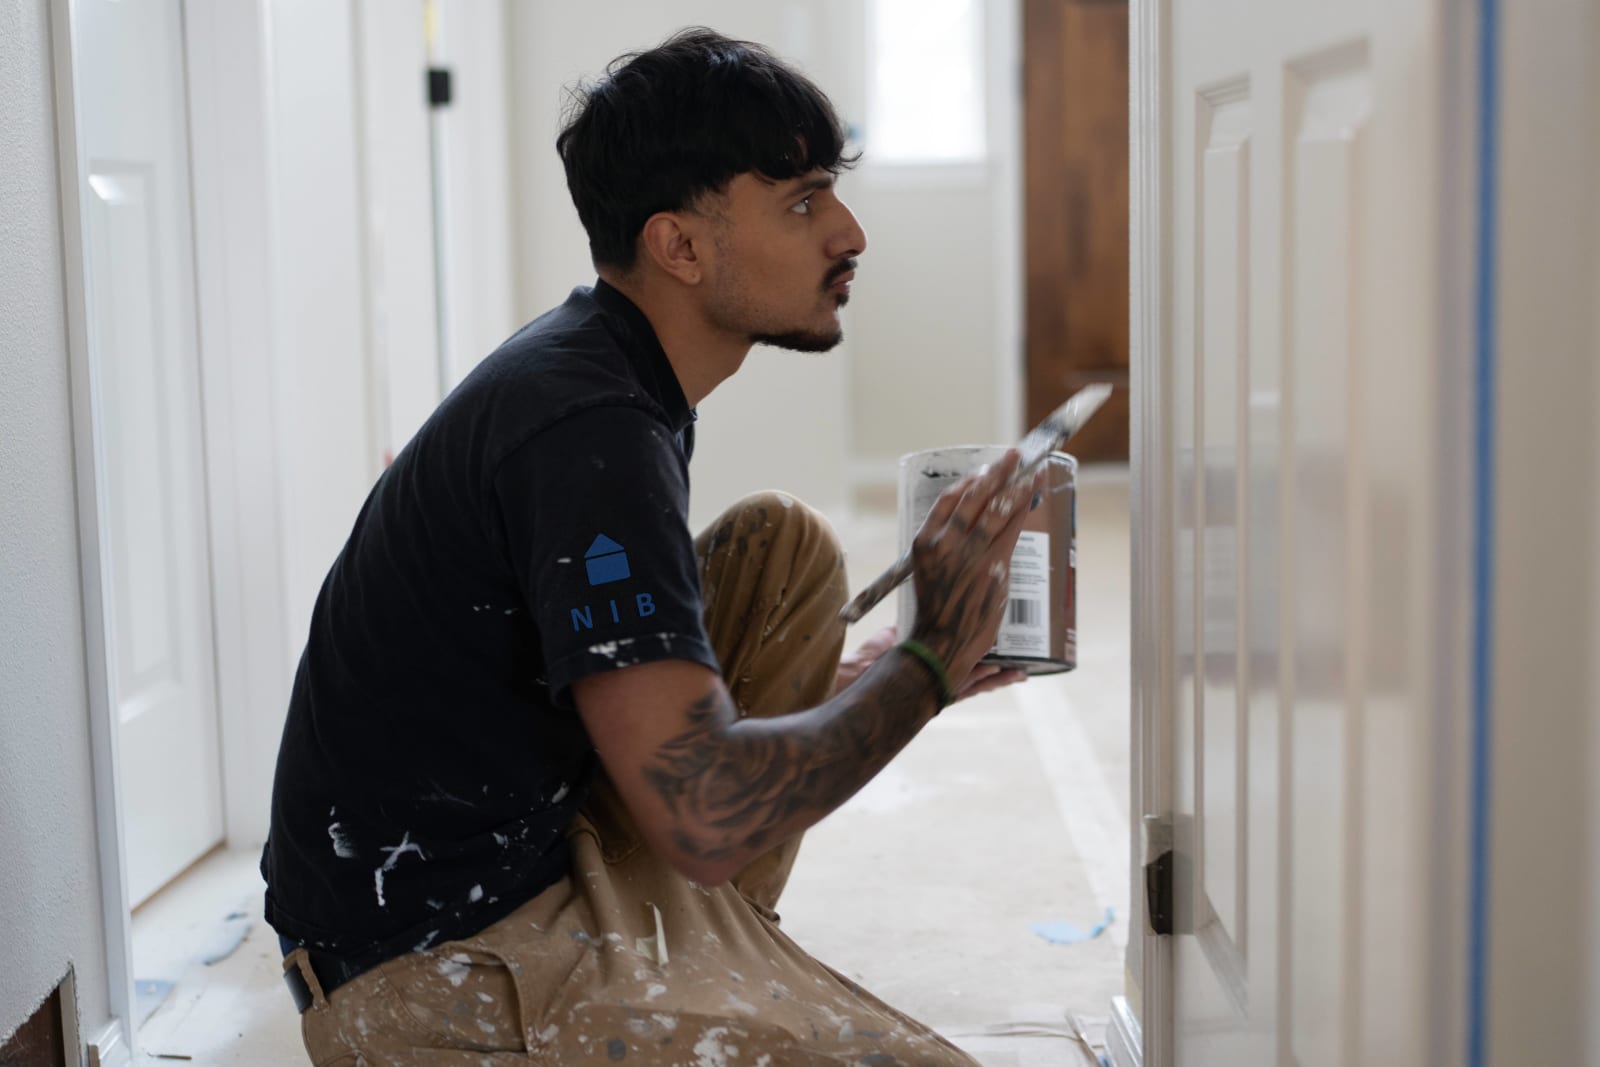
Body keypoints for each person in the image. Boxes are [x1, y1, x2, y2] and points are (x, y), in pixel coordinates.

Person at [262, 27, 1041, 1066]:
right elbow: (707, 816)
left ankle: (705, 955)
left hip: (538, 847)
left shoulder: (605, 374)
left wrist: (857, 677)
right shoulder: (585, 429)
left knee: (783, 547)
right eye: (803, 201)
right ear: (680, 245)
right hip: (425, 966)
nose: (848, 231)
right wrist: (926, 664)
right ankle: (693, 979)